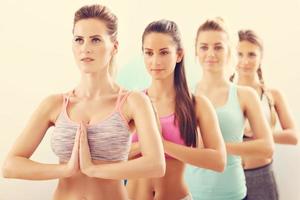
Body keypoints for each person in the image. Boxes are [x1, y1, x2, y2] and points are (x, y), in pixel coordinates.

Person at [2, 4, 165, 200]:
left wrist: (93, 169)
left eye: (95, 40)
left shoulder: (134, 102)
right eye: (79, 40)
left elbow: (156, 165)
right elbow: (11, 166)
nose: (85, 48)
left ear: (114, 47)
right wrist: (66, 169)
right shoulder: (54, 104)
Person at [126, 19, 226, 200]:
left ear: (179, 54)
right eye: (149, 53)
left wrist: (163, 145)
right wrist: (144, 145)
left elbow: (219, 161)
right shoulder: (132, 102)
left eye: (164, 52)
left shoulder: (197, 105)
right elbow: (109, 157)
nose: (155, 61)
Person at [184, 18, 274, 200]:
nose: (211, 53)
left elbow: (267, 147)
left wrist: (219, 149)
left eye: (218, 47)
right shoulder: (184, 96)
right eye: (204, 47)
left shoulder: (244, 95)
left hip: (233, 193)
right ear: (195, 51)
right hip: (191, 193)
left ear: (229, 51)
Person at [230, 29, 299, 200]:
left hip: (261, 176)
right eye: (240, 54)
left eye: (252, 55)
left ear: (261, 57)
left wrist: (262, 135)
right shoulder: (225, 93)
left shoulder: (272, 95)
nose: (245, 61)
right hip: (230, 177)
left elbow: (293, 136)